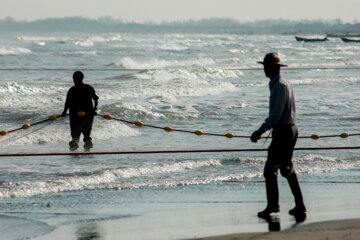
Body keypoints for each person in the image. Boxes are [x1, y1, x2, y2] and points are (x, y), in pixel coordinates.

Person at [250, 53, 306, 218]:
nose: (264, 70)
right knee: (286, 168)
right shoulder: (284, 83)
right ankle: (300, 205)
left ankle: (273, 205)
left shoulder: (278, 86)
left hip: (283, 131)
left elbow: (275, 116)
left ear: (273, 68)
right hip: (291, 128)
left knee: (270, 170)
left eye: (266, 67)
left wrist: (259, 131)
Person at [62, 71, 99, 150]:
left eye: (76, 79)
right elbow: (67, 102)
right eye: (74, 79)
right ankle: (79, 143)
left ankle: (82, 144)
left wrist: (94, 109)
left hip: (88, 114)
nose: (75, 81)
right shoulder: (72, 90)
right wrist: (64, 111)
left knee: (83, 131)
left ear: (81, 79)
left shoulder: (88, 88)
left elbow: (95, 98)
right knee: (79, 132)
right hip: (75, 113)